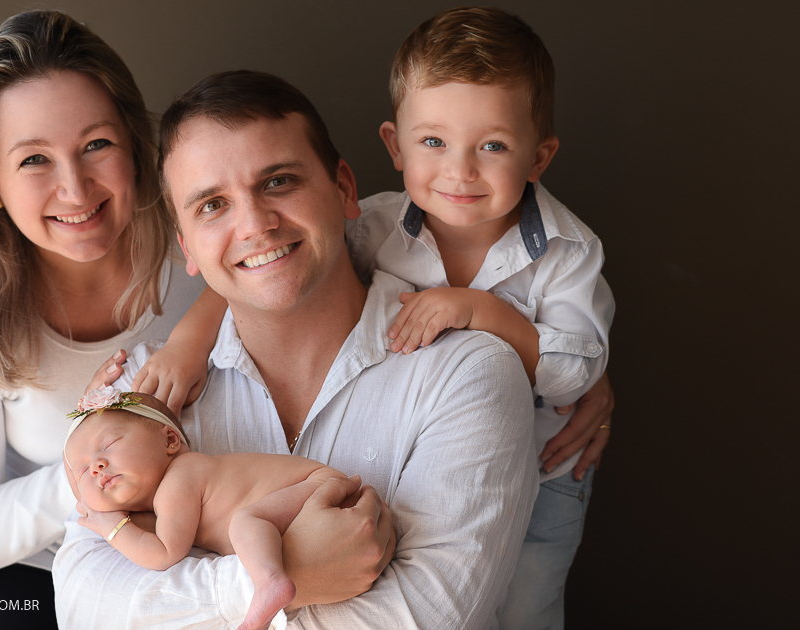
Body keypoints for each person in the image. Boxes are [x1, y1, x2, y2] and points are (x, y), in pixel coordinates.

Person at [53, 69, 538, 629]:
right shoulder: (138, 393)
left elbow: (429, 616)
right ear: (187, 246)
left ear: (344, 189)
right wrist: (266, 583)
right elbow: (83, 605)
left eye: (278, 181)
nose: (255, 225)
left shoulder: (470, 372)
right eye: (212, 205)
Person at [0, 10, 204, 629]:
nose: (75, 189)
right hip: (31, 578)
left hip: (201, 552)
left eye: (96, 145)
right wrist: (91, 464)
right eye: (34, 160)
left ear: (132, 143)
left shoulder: (202, 239)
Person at [346, 8, 616, 627]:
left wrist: (483, 312)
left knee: (526, 608)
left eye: (492, 146)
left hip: (543, 474)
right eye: (433, 142)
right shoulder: (370, 230)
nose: (460, 170)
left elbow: (576, 376)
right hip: (415, 471)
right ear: (394, 144)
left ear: (538, 157)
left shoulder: (568, 252)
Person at [63, 388, 358, 630]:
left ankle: (271, 583)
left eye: (110, 443)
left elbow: (163, 553)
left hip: (318, 488)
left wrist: (111, 527)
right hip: (319, 512)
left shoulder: (181, 477)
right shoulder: (167, 504)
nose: (96, 466)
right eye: (82, 470)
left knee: (246, 522)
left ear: (169, 440)